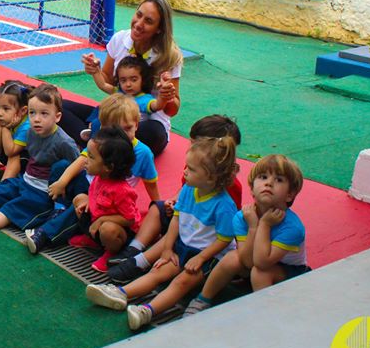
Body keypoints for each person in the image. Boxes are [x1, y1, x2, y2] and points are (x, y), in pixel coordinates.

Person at [85, 137, 238, 331]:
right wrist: (167, 249)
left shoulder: (224, 206)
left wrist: (200, 258)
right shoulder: (189, 190)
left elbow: (224, 240)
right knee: (159, 270)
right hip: (185, 246)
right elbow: (176, 219)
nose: (184, 172)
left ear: (210, 177)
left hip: (210, 256)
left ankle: (148, 311)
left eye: (191, 169)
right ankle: (120, 292)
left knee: (181, 282)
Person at [105, 113, 241, 283]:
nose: (191, 148)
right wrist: (174, 200)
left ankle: (140, 262)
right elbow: (186, 190)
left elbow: (227, 223)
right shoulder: (197, 165)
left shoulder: (228, 186)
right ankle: (134, 249)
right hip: (188, 218)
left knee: (176, 232)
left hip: (203, 234)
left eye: (195, 144)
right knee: (157, 209)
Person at [0, 84, 79, 247]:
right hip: (23, 181)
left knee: (7, 212)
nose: (37, 119)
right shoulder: (30, 131)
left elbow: (78, 166)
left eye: (44, 113)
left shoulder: (64, 142)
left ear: (58, 116)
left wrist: (61, 194)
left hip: (41, 193)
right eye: (32, 113)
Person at [185, 154, 308, 315]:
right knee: (231, 258)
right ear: (252, 189)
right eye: (263, 177)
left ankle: (264, 314)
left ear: (290, 195)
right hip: (254, 259)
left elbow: (262, 263)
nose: (269, 183)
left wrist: (263, 224)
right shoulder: (243, 217)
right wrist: (253, 227)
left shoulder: (292, 228)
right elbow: (247, 260)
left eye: (279, 180)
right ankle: (203, 299)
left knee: (260, 272)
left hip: (290, 273)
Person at [60, 0, 183, 157]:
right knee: (57, 106)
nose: (139, 24)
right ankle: (100, 143)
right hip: (116, 114)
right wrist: (95, 69)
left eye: (148, 21)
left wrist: (168, 95)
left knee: (151, 133)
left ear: (159, 29)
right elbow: (108, 82)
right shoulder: (120, 39)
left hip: (146, 124)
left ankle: (93, 143)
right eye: (138, 15)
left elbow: (171, 110)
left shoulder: (169, 56)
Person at [25, 127, 140, 273]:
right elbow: (94, 196)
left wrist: (101, 220)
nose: (86, 160)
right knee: (79, 199)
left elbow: (129, 219)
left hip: (118, 231)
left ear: (108, 167)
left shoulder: (122, 190)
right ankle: (92, 240)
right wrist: (88, 202)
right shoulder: (99, 178)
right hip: (96, 221)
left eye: (91, 157)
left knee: (108, 229)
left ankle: (111, 253)